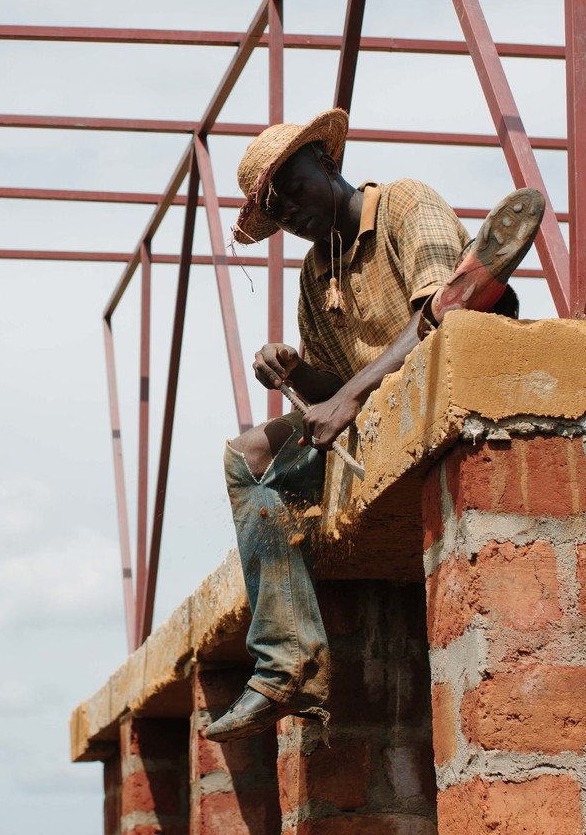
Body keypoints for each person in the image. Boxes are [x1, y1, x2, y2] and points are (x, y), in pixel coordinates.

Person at [204, 107, 544, 741]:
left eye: (294, 189)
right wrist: (297, 372)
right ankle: (286, 666)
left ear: (327, 162)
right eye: (274, 211)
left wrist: (348, 400)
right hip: (375, 412)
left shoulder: (407, 205)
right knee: (246, 457)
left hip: (443, 379)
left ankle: (477, 280)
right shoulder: (314, 275)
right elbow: (332, 396)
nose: (290, 213)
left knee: (448, 310)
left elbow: (437, 324)